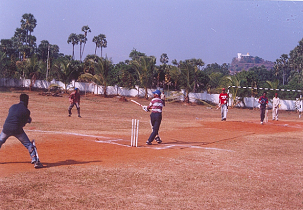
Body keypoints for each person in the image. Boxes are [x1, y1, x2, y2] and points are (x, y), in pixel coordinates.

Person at [0, 94, 43, 168]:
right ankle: (35, 161)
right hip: (17, 129)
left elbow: (11, 116)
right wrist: (28, 120)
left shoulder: (13, 106)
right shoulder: (26, 111)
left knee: (0, 141)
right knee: (28, 144)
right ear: (27, 101)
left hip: (6, 128)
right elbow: (22, 123)